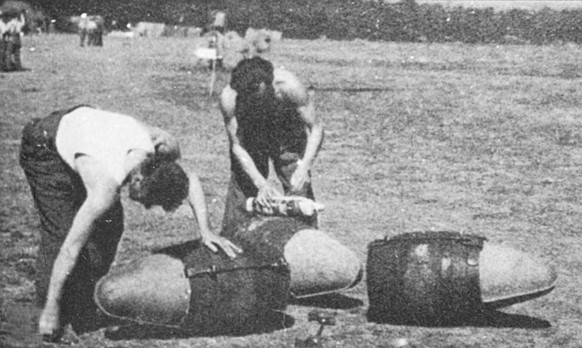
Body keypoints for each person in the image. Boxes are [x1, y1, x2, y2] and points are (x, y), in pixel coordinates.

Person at [19, 105, 241, 341]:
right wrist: (51, 306)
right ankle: (49, 316)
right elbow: (69, 249)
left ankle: (82, 305)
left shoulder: (158, 150)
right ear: (138, 178)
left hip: (82, 132)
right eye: (148, 202)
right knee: (63, 233)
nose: (145, 207)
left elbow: (190, 179)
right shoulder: (104, 187)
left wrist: (205, 230)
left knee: (111, 227)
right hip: (45, 147)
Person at [219, 56, 324, 236]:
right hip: (251, 136)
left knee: (298, 189)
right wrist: (261, 184)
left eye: (255, 92)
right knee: (243, 188)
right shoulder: (229, 98)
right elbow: (237, 146)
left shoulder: (289, 87)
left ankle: (307, 242)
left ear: (268, 84)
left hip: (287, 133)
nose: (252, 98)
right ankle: (235, 241)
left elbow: (316, 128)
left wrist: (304, 167)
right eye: (247, 96)